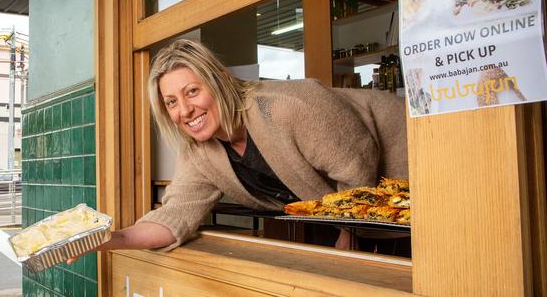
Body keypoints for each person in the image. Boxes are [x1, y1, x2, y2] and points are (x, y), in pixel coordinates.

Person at [68, 39, 407, 262]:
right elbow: (175, 217)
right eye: (171, 102)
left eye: (191, 92)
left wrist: (348, 234)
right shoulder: (200, 151)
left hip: (416, 169)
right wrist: (107, 239)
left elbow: (356, 162)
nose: (183, 111)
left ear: (218, 81)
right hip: (357, 216)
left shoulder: (287, 107)